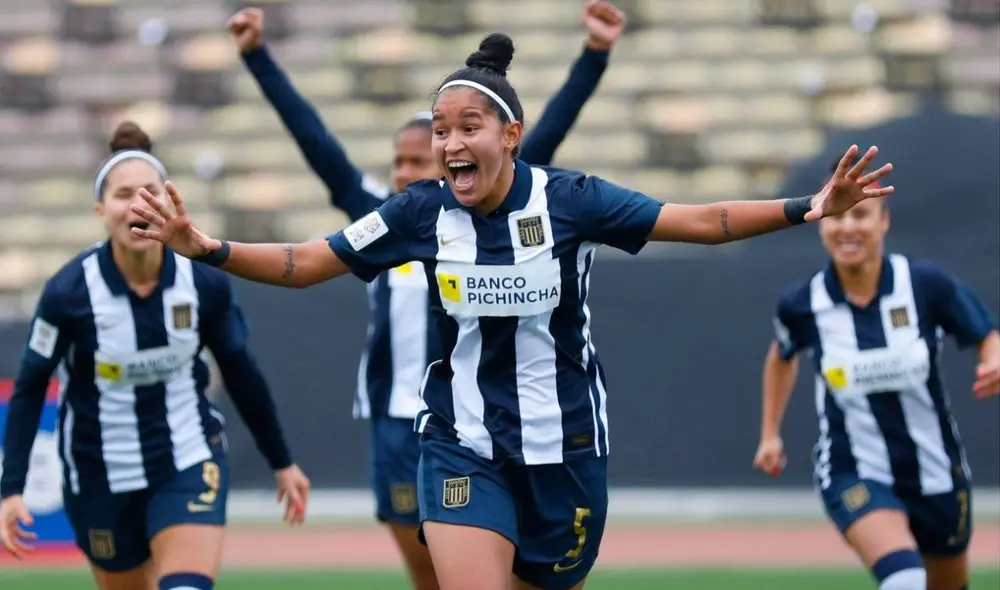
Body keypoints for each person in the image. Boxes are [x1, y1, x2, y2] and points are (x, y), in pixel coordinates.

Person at [126, 32, 894, 590]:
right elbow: (305, 263)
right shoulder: (418, 212)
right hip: (460, 443)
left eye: (469, 127)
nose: (450, 144)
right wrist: (205, 245)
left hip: (567, 447)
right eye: (441, 131)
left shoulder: (572, 200)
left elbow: (701, 220)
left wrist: (808, 207)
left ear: (511, 135)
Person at [226, 3, 625, 588]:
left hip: (492, 417)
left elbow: (549, 130)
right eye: (400, 160)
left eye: (419, 159)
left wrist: (594, 54)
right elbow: (315, 144)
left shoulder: (504, 200)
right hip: (403, 417)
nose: (407, 171)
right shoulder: (387, 218)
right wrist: (257, 56)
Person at [0, 122, 311, 590]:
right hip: (98, 471)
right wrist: (12, 489)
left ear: (168, 201)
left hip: (187, 457)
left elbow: (240, 371)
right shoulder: (68, 292)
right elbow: (29, 388)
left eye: (149, 192)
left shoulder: (203, 281)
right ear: (101, 211)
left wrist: (281, 461)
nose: (138, 204)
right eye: (123, 194)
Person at [752, 159, 999, 590]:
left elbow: (985, 334)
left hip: (936, 469)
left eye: (861, 215)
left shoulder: (925, 285)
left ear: (883, 221)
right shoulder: (803, 304)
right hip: (854, 468)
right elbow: (782, 354)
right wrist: (770, 434)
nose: (848, 228)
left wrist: (993, 359)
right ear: (821, 224)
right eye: (838, 217)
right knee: (905, 580)